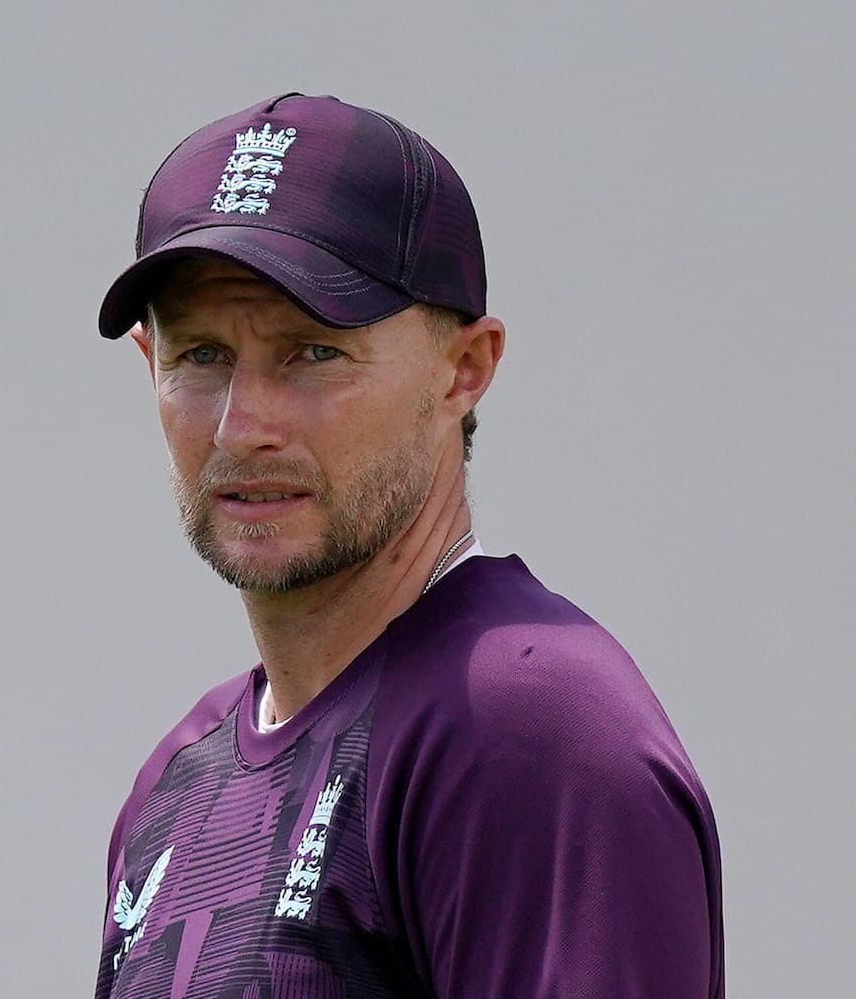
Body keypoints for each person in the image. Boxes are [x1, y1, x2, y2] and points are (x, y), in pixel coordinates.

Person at [92, 92, 723, 998]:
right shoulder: (177, 782)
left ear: (465, 369)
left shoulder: (524, 727)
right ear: (150, 365)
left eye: (313, 353)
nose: (243, 426)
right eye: (202, 356)